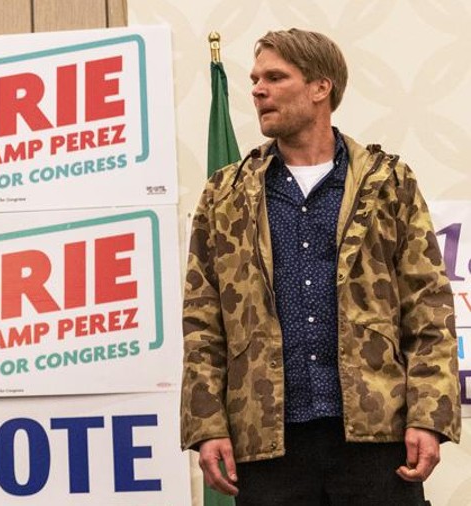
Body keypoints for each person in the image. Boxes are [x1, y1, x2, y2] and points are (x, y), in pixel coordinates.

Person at [180, 28, 461, 506]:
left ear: (320, 87)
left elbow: (428, 306)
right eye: (254, 79)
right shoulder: (223, 196)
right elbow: (202, 321)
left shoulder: (387, 182)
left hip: (376, 437)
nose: (257, 90)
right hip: (268, 442)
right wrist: (207, 426)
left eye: (274, 77)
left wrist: (428, 416)